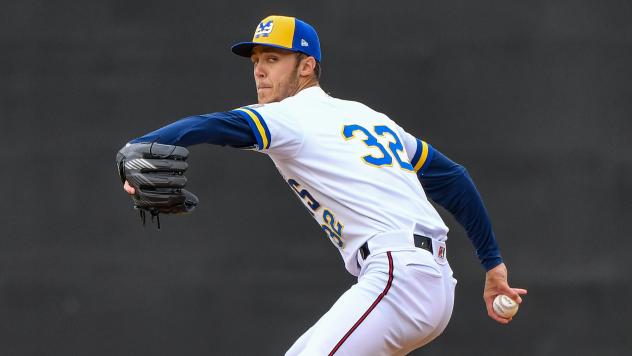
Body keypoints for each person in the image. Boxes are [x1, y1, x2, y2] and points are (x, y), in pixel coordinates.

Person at [119, 15, 527, 355]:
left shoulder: (291, 116)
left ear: (307, 65)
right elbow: (454, 179)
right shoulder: (369, 118)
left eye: (274, 58)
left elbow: (215, 125)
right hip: (421, 280)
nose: (259, 69)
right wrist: (493, 265)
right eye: (256, 60)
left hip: (398, 278)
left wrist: (143, 145)